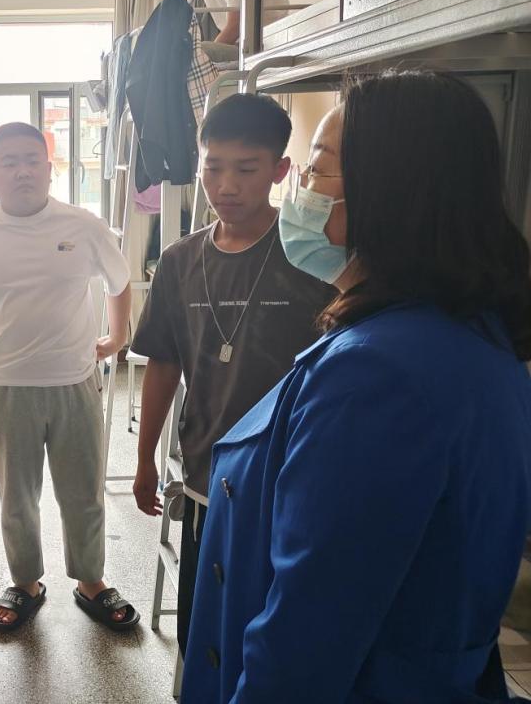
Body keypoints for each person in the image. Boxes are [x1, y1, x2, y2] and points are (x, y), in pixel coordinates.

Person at [183, 71, 531, 703]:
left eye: (317, 171)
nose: (301, 191)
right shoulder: (463, 333)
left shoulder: (378, 376)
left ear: (387, 194)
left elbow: (307, 636)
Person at [130, 94, 333, 656]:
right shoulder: (179, 261)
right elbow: (163, 363)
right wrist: (145, 459)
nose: (226, 186)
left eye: (246, 170)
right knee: (205, 630)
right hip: (207, 474)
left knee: (275, 630)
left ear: (280, 170)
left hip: (290, 477)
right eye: (213, 168)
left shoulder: (313, 259)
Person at [0, 122, 139, 632]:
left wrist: (117, 336)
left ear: (49, 168)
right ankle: (25, 583)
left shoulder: (84, 226)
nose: (22, 171)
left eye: (32, 160)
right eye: (9, 162)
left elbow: (119, 282)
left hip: (74, 382)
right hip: (5, 386)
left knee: (82, 492)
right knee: (16, 496)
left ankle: (91, 581)